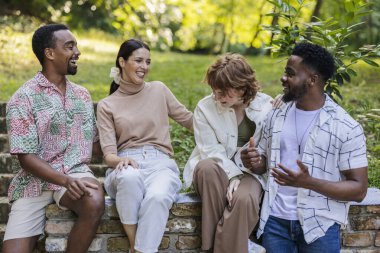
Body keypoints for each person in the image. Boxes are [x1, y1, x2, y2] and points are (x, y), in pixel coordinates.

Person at [238, 42, 368, 253]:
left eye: (290, 74)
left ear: (312, 80)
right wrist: (254, 161)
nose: (283, 78)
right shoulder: (276, 114)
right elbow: (263, 165)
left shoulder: (345, 126)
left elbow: (359, 190)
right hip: (275, 223)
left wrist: (308, 182)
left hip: (320, 226)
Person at [3, 24, 105, 253]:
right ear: (49, 53)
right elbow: (25, 157)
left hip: (74, 171)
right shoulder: (23, 98)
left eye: (76, 45)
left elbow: (95, 145)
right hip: (34, 183)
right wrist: (65, 181)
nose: (77, 51)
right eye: (69, 46)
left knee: (94, 200)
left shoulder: (82, 95)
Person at [96, 39, 193, 253]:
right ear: (122, 62)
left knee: (158, 197)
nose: (145, 67)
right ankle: (135, 245)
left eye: (148, 62)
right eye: (138, 60)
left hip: (161, 164)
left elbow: (188, 120)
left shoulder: (158, 90)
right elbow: (109, 155)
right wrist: (122, 160)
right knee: (129, 178)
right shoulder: (107, 105)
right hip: (126, 163)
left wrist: (222, 116)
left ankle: (139, 251)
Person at [183, 53, 280, 253]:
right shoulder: (205, 107)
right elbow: (210, 150)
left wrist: (285, 104)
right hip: (216, 169)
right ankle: (238, 243)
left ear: (242, 86)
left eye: (224, 92)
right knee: (206, 167)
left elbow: (273, 149)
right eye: (215, 91)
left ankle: (215, 248)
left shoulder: (266, 106)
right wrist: (233, 175)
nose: (218, 97)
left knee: (244, 199)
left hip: (252, 172)